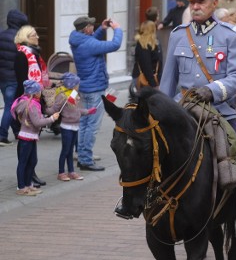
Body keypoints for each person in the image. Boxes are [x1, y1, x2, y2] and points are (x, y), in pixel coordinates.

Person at [159, 0, 236, 241]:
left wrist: (212, 91)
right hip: (183, 108)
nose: (196, 6)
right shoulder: (178, 34)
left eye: (201, 1)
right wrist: (158, 110)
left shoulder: (232, 35)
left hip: (220, 109)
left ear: (214, 2)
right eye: (192, 2)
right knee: (149, 146)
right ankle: (136, 200)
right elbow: (167, 80)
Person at [69, 15, 122, 171]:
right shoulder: (89, 44)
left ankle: (83, 154)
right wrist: (117, 29)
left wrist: (102, 29)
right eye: (92, 25)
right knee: (92, 126)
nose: (93, 26)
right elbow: (115, 44)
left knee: (84, 124)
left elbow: (92, 42)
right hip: (95, 89)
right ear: (86, 29)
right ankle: (85, 159)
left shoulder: (77, 40)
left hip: (84, 87)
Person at [14, 25, 51, 187]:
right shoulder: (22, 55)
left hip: (36, 98)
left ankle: (31, 173)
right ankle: (26, 176)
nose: (37, 37)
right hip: (26, 100)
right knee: (26, 137)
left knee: (34, 135)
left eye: (36, 34)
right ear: (25, 38)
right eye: (33, 35)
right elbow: (23, 80)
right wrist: (29, 101)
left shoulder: (34, 53)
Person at [11, 80, 59, 195]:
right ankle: (21, 187)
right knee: (24, 162)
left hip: (31, 137)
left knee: (32, 161)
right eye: (39, 91)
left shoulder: (34, 103)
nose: (41, 93)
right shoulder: (31, 105)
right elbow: (37, 122)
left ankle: (28, 184)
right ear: (35, 93)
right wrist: (51, 119)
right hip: (26, 138)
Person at [45, 72, 96, 182]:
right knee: (65, 150)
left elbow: (77, 110)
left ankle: (71, 171)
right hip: (66, 127)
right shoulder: (62, 96)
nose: (78, 86)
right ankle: (61, 172)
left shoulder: (74, 94)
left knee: (71, 150)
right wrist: (44, 110)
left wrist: (88, 111)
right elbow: (54, 109)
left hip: (75, 126)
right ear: (72, 84)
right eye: (77, 84)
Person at [0, 9, 28, 146]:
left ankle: (17, 132)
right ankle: (2, 135)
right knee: (10, 107)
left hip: (2, 77)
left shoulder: (2, 35)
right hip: (13, 77)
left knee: (10, 105)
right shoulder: (19, 39)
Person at [132, 20, 163, 88]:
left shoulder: (154, 43)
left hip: (152, 79)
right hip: (146, 80)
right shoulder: (143, 45)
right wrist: (154, 84)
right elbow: (147, 66)